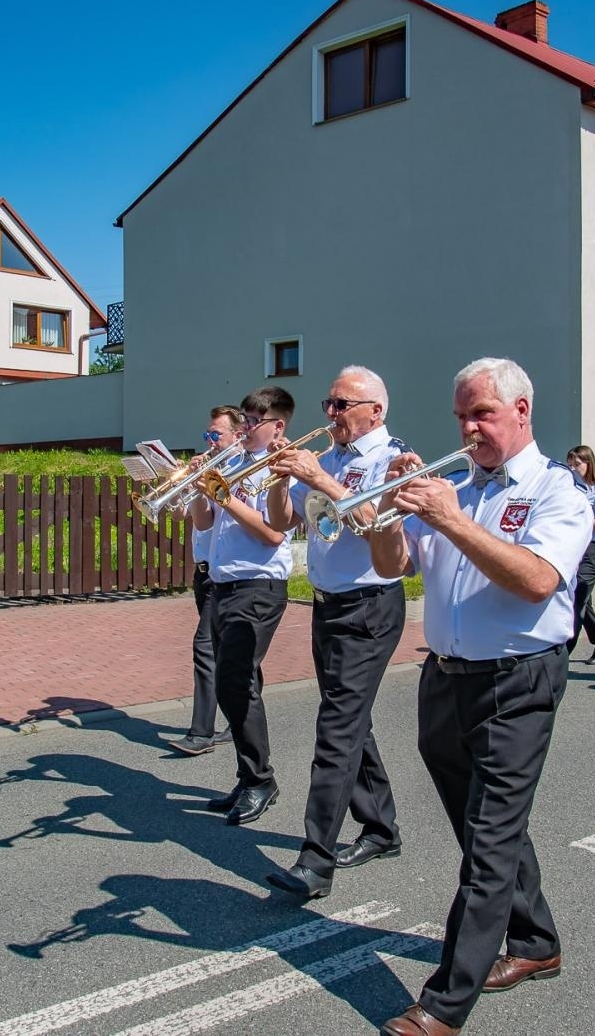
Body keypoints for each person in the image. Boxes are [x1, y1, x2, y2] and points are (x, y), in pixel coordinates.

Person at [367, 357, 589, 1036]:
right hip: (446, 677)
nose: (467, 428)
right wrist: (386, 509)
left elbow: (536, 580)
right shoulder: (456, 486)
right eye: (461, 415)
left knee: (488, 842)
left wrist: (451, 518)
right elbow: (390, 566)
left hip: (518, 680)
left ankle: (443, 1004)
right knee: (483, 824)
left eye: (482, 414)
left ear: (522, 410)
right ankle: (535, 939)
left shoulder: (558, 490)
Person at [260, 366, 408, 899]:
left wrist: (319, 478)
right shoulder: (334, 457)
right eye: (328, 404)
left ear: (375, 410)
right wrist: (282, 478)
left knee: (337, 729)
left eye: (341, 405)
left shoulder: (392, 459)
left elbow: (373, 525)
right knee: (351, 721)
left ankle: (315, 860)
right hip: (328, 606)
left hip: (369, 607)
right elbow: (283, 522)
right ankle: (381, 827)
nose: (330, 414)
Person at [187, 386, 296, 825]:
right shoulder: (232, 463)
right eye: (245, 420)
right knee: (230, 683)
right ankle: (248, 776)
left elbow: (273, 534)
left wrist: (225, 497)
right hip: (223, 585)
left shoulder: (278, 467)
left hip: (259, 586)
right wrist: (200, 488)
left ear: (277, 426)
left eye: (254, 421)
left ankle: (260, 780)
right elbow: (203, 521)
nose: (247, 427)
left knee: (236, 680)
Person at [169, 407, 244, 756]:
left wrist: (206, 480)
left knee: (205, 647)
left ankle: (201, 733)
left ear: (237, 436)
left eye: (217, 435)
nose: (211, 441)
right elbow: (189, 518)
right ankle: (242, 720)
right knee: (233, 652)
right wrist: (185, 486)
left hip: (223, 574)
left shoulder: (241, 470)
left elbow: (217, 521)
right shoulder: (210, 467)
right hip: (202, 573)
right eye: (208, 435)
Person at [564, 445, 595, 665]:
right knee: (583, 601)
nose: (573, 469)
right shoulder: (567, 489)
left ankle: (563, 654)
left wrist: (583, 514)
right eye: (570, 465)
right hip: (571, 548)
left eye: (577, 464)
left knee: (577, 599)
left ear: (588, 464)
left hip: (590, 551)